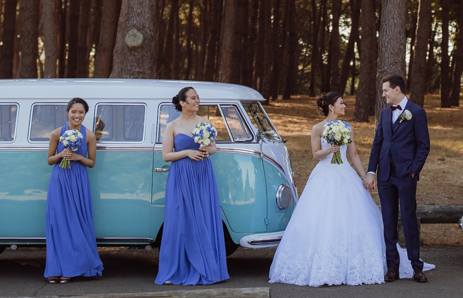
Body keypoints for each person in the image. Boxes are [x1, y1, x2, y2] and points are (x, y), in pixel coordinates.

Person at [269, 92, 434, 286]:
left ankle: (396, 264)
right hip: (324, 174)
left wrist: (366, 176)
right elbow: (315, 154)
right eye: (341, 103)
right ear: (331, 107)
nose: (344, 106)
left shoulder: (347, 127)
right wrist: (328, 150)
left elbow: (354, 154)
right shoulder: (317, 128)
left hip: (345, 173)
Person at [155, 86, 229, 286]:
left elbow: (214, 148)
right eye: (193, 98)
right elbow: (166, 155)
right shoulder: (172, 126)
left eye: (198, 98)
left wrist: (208, 148)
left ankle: (206, 267)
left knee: (203, 217)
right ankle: (175, 270)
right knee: (179, 220)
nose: (198, 101)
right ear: (182, 102)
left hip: (202, 174)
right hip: (181, 176)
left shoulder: (205, 122)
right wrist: (187, 153)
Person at [364, 74, 430, 282]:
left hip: (405, 175)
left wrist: (413, 170)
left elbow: (424, 145)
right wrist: (371, 171)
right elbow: (378, 143)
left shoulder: (417, 112)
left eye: (385, 90)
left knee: (409, 219)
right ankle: (392, 266)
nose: (383, 94)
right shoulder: (384, 114)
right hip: (384, 175)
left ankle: (416, 266)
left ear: (397, 90)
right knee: (388, 221)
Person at [43, 97, 103, 283]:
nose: (77, 115)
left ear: (85, 114)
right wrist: (61, 154)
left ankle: (73, 267)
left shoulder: (90, 135)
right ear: (68, 113)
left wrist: (78, 157)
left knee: (76, 222)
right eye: (74, 112)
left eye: (81, 112)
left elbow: (92, 163)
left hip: (78, 180)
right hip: (60, 179)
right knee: (58, 222)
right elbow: (49, 160)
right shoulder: (57, 133)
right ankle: (56, 267)